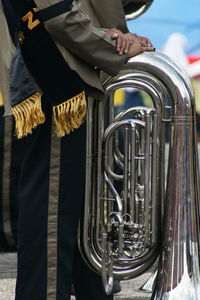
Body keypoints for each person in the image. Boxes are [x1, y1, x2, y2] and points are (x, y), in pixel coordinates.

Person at [1, 0, 153, 299]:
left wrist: (113, 37)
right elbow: (57, 15)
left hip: (81, 69)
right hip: (57, 74)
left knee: (88, 205)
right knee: (53, 207)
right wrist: (113, 45)